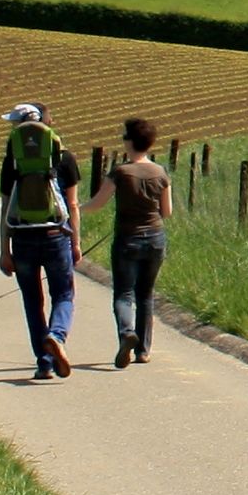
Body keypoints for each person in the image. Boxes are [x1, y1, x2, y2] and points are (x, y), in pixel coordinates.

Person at [0, 102, 81, 379]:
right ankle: (57, 335)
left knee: (33, 301)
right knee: (64, 294)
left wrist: (4, 250)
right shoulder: (64, 157)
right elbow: (72, 204)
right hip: (56, 235)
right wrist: (76, 243)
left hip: (21, 237)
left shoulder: (12, 162)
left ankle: (44, 363)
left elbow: (6, 206)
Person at [100, 116, 175, 368]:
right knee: (146, 294)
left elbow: (97, 203)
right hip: (155, 238)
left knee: (124, 293)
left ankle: (126, 332)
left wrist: (74, 208)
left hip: (127, 239)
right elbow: (167, 211)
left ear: (130, 142)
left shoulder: (120, 172)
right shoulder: (160, 172)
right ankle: (143, 350)